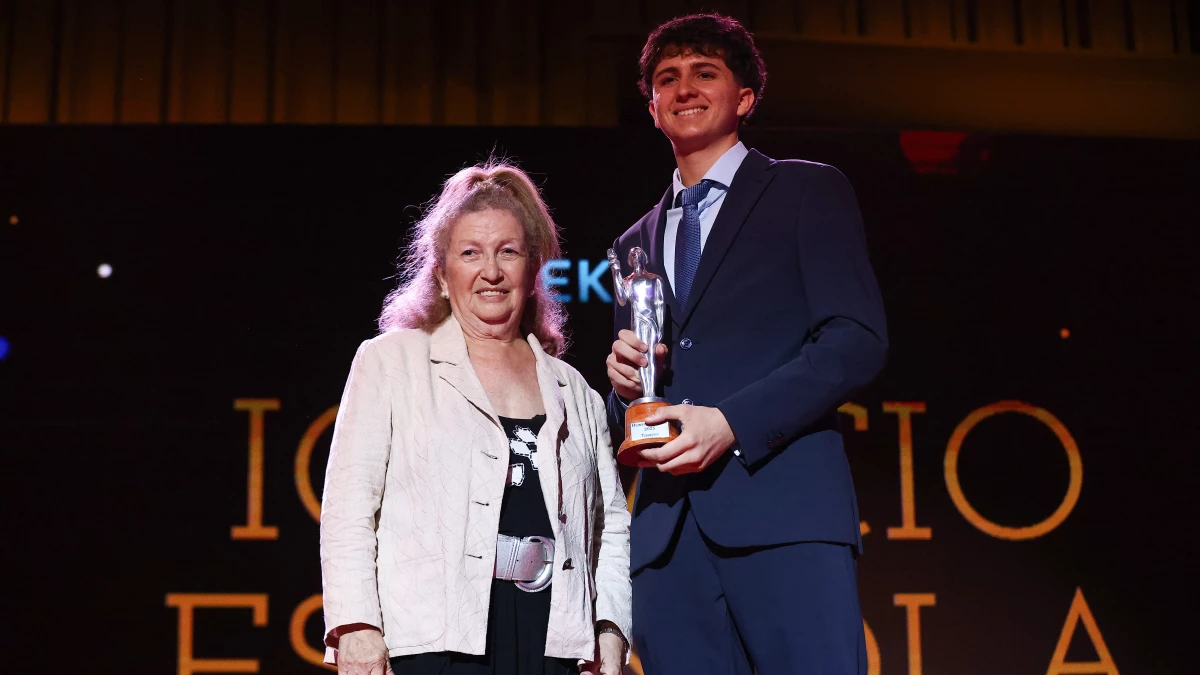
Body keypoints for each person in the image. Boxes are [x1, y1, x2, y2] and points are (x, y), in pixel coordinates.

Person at [605, 13, 888, 675]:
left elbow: (856, 339)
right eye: (666, 79)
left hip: (783, 513)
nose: (684, 88)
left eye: (706, 72)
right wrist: (625, 390)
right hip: (667, 538)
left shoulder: (804, 189)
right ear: (651, 108)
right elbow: (646, 392)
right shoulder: (631, 243)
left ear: (745, 97)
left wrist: (731, 423)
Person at [321, 161, 631, 675]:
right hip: (430, 638)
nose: (491, 271)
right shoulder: (391, 362)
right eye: (471, 254)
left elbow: (611, 527)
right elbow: (348, 510)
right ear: (442, 275)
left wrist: (610, 630)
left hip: (554, 640)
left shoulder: (576, 391)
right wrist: (356, 627)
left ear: (533, 272)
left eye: (508, 252)